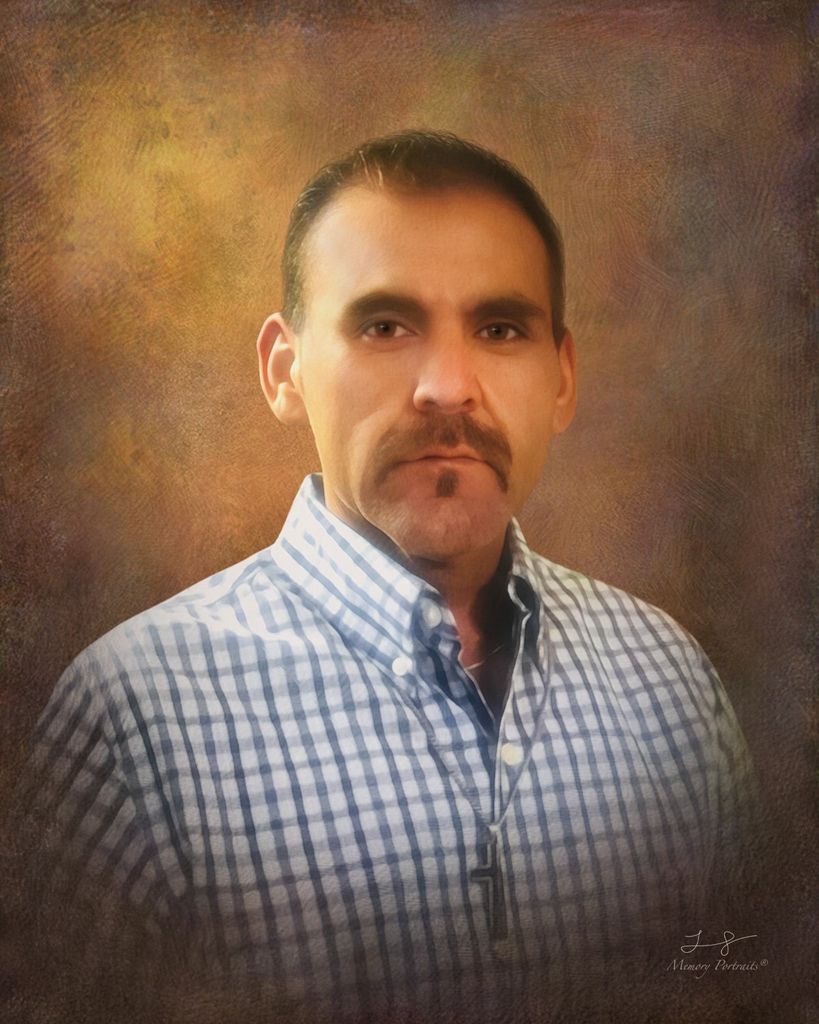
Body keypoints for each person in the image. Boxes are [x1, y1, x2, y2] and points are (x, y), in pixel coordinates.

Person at [10, 130, 757, 1024]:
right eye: (384, 326)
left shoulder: (667, 681)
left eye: (499, 328)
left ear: (560, 378)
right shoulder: (133, 719)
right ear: (284, 371)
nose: (447, 386)